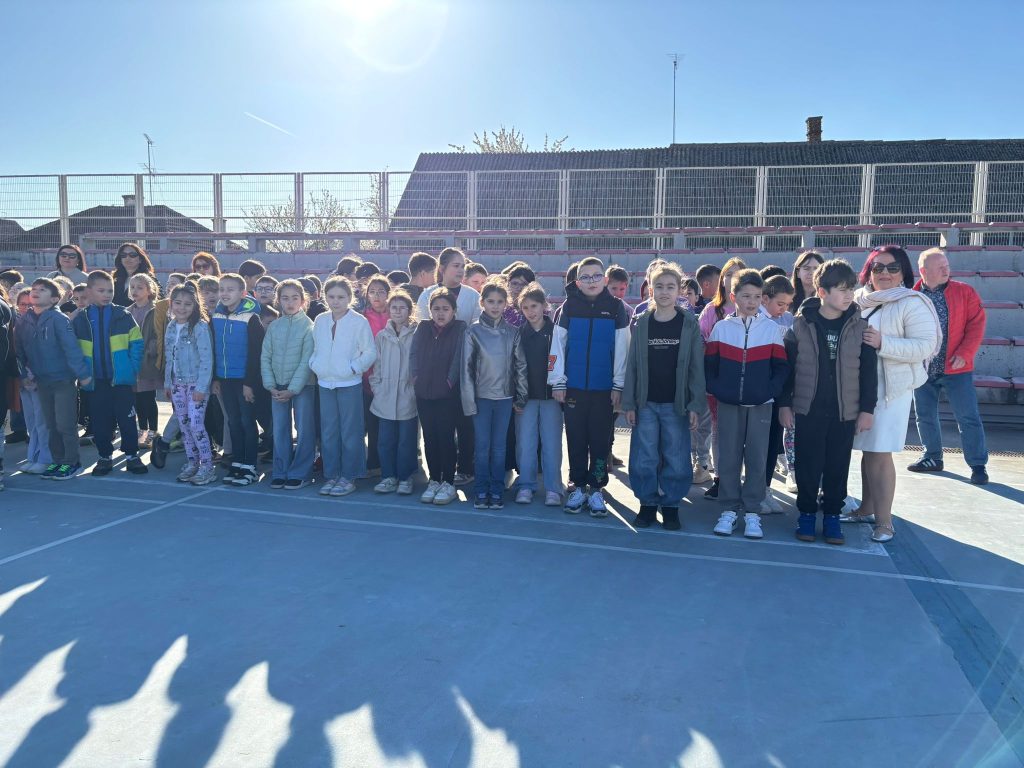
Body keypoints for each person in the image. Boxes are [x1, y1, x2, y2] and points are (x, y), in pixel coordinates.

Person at [843, 245, 941, 544]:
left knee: (879, 451)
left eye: (892, 267)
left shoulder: (913, 302)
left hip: (890, 390)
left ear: (903, 272)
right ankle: (866, 508)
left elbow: (925, 346)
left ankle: (885, 522)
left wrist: (883, 343)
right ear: (868, 272)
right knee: (867, 449)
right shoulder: (857, 299)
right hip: (857, 386)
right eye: (878, 268)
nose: (884, 273)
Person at [778, 259, 877, 546]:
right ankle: (807, 514)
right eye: (841, 289)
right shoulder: (800, 325)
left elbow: (869, 374)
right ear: (822, 292)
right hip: (808, 409)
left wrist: (866, 409)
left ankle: (832, 515)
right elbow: (788, 369)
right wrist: (784, 403)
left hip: (844, 412)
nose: (848, 295)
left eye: (851, 289)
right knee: (808, 465)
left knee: (837, 465)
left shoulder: (861, 327)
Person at [622, 262, 707, 531]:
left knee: (676, 456)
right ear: (650, 290)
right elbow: (632, 365)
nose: (664, 292)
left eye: (670, 287)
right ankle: (647, 503)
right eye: (659, 286)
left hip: (676, 404)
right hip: (646, 403)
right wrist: (630, 402)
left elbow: (696, 367)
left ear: (679, 290)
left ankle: (671, 505)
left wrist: (695, 404)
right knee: (643, 456)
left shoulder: (688, 323)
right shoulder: (642, 323)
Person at [705, 269, 789, 540]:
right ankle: (729, 510)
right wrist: (720, 390)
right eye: (745, 296)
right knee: (729, 458)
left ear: (762, 298)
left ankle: (752, 511)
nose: (751, 302)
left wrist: (768, 392)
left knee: (757, 458)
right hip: (729, 405)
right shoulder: (721, 329)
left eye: (756, 296)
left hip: (762, 405)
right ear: (733, 297)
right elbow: (710, 366)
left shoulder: (771, 330)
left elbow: (781, 368)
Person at [548, 256, 630, 516]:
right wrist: (558, 382)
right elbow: (557, 348)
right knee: (575, 439)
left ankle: (596, 489)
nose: (591, 281)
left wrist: (618, 386)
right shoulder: (568, 308)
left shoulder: (616, 308)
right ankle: (578, 487)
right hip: (573, 389)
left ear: (604, 280)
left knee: (600, 441)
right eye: (585, 277)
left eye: (596, 276)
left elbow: (623, 350)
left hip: (604, 391)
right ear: (577, 282)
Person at [909, 247, 989, 485]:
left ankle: (978, 465)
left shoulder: (965, 292)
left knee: (968, 417)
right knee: (924, 416)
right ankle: (932, 457)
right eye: (940, 267)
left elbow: (977, 324)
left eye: (947, 266)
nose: (947, 270)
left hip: (957, 368)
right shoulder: (912, 296)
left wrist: (965, 353)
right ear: (924, 271)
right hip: (923, 368)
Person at [72, 271, 147, 476]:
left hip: (121, 381)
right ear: (89, 291)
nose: (107, 295)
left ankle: (132, 455)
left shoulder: (123, 315)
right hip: (95, 382)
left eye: (110, 291)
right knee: (100, 422)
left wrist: (131, 369)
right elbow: (73, 350)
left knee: (127, 420)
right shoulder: (80, 319)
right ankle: (104, 456)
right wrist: (82, 374)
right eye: (101, 290)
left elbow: (137, 344)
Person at [417, 247, 481, 486]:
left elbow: (475, 333)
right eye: (456, 265)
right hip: (434, 373)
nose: (461, 270)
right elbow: (423, 333)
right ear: (442, 268)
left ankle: (465, 468)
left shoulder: (472, 296)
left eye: (463, 266)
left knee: (464, 422)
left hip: (463, 370)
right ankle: (440, 474)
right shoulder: (427, 295)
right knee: (439, 429)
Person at [17, 279, 91, 480]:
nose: (36, 292)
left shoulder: (59, 319)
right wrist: (23, 376)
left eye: (42, 290)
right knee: (50, 425)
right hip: (41, 381)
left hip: (63, 380)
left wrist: (82, 375)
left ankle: (72, 463)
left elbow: (71, 348)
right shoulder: (24, 320)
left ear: (54, 299)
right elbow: (19, 351)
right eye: (34, 289)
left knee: (65, 424)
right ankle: (57, 461)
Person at [462, 277, 525, 510]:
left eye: (500, 301)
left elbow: (520, 366)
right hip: (481, 399)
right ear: (482, 302)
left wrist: (521, 396)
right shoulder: (472, 332)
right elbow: (466, 370)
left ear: (506, 303)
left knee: (499, 447)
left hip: (505, 399)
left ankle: (497, 489)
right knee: (482, 447)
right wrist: (469, 402)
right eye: (490, 301)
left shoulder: (513, 332)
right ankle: (481, 489)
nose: (495, 306)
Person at [310, 276, 376, 498]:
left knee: (350, 431)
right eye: (331, 296)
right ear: (325, 297)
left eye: (340, 297)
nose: (335, 301)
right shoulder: (320, 320)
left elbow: (370, 352)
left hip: (349, 383)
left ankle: (350, 475)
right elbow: (315, 347)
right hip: (324, 383)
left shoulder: (359, 321)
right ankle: (332, 474)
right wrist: (315, 364)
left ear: (350, 298)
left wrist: (353, 368)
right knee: (329, 431)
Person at [697, 257, 747, 499]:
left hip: (745, 381)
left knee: (741, 433)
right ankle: (720, 478)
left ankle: (737, 477)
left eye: (738, 274)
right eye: (728, 274)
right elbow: (700, 341)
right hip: (717, 381)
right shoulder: (711, 310)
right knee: (719, 430)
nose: (732, 278)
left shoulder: (752, 308)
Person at [410, 288, 465, 506]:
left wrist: (449, 382)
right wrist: (416, 378)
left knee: (446, 437)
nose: (440, 313)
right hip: (424, 393)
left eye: (445, 309)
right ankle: (434, 480)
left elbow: (458, 359)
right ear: (430, 310)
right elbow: (414, 354)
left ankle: (448, 482)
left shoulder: (460, 328)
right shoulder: (423, 327)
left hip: (448, 395)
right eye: (436, 309)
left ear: (454, 311)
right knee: (430, 437)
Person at [211, 273, 266, 486]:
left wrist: (249, 383)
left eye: (230, 289)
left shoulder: (251, 318)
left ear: (243, 293)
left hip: (244, 381)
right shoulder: (216, 316)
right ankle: (238, 462)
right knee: (233, 421)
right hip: (225, 380)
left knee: (246, 422)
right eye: (221, 289)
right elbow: (214, 349)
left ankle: (250, 466)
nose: (224, 293)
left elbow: (256, 353)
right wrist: (216, 378)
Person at [511, 281, 563, 507]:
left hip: (552, 397)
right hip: (526, 398)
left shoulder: (557, 333)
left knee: (552, 444)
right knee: (525, 443)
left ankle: (553, 488)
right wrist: (517, 396)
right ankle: (526, 485)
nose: (530, 311)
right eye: (525, 307)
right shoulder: (518, 334)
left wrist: (561, 387)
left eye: (534, 306)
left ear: (544, 306)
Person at [261, 279, 315, 490]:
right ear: (278, 301)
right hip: (277, 386)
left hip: (303, 386)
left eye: (294, 298)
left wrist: (293, 389)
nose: (290, 302)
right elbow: (265, 356)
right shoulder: (274, 326)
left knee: (304, 428)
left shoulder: (309, 326)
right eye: (285, 298)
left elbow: (306, 360)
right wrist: (270, 385)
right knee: (280, 429)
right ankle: (281, 470)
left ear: (303, 300)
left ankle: (301, 472)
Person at [163, 284, 217, 485]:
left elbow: (207, 359)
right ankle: (193, 462)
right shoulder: (171, 326)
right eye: (178, 303)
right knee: (184, 425)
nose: (182, 308)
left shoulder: (200, 327)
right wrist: (168, 383)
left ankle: (207, 466)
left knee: (196, 424)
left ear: (195, 306)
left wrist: (202, 388)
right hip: (177, 384)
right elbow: (169, 356)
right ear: (171, 304)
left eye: (187, 304)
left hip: (195, 384)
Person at [369, 290, 419, 495]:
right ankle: (388, 476)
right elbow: (377, 366)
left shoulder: (416, 334)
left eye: (402, 308)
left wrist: (414, 389)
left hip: (408, 395)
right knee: (385, 440)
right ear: (389, 310)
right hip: (385, 396)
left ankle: (405, 477)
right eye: (394, 307)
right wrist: (377, 388)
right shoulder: (382, 336)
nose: (398, 311)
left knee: (406, 441)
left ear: (410, 310)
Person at [759, 274, 796, 509]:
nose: (784, 309)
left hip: (777, 392)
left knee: (773, 443)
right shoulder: (756, 320)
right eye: (780, 303)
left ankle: (764, 489)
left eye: (788, 305)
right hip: (759, 393)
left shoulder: (786, 321)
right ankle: (755, 491)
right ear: (765, 299)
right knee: (758, 446)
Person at [359, 275, 392, 478]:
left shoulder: (396, 314)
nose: (376, 296)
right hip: (368, 380)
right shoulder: (361, 318)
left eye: (381, 291)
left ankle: (392, 464)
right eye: (372, 292)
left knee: (391, 425)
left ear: (388, 294)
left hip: (393, 378)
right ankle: (374, 463)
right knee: (372, 425)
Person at [128, 273, 162, 449]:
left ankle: (153, 430)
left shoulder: (155, 310)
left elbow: (159, 334)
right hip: (133, 362)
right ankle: (142, 429)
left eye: (140, 287)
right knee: (137, 399)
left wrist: (150, 350)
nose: (135, 290)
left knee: (148, 398)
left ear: (149, 291)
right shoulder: (127, 311)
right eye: (132, 287)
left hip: (148, 362)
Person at [112, 243, 157, 307]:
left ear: (140, 259)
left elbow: (158, 301)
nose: (127, 258)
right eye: (123, 255)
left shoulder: (149, 279)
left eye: (132, 255)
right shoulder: (115, 279)